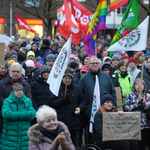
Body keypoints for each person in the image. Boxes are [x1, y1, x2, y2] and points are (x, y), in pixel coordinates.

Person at [79, 55, 116, 145]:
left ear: (99, 64)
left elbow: (113, 92)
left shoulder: (106, 77)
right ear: (89, 65)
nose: (95, 65)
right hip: (89, 114)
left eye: (97, 63)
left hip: (105, 113)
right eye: (93, 63)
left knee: (104, 135)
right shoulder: (84, 79)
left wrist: (113, 106)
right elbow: (80, 95)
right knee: (89, 137)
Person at [50, 70, 85, 149]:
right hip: (61, 122)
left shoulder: (77, 88)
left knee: (75, 145)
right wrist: (61, 100)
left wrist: (80, 107)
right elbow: (51, 103)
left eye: (69, 78)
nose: (68, 80)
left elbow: (83, 100)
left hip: (74, 122)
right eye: (66, 78)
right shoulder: (56, 88)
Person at [0, 62, 33, 137]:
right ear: (9, 72)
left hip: (22, 125)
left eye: (17, 71)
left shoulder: (26, 86)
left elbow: (29, 100)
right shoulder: (1, 84)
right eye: (13, 71)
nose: (15, 73)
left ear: (21, 73)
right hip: (5, 123)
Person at [0, 83, 36, 149]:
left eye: (21, 90)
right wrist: (25, 115)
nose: (19, 92)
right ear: (12, 92)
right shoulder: (7, 101)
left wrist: (15, 115)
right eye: (17, 90)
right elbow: (6, 114)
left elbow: (32, 114)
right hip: (10, 135)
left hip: (25, 136)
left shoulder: (27, 101)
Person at [124, 78, 150, 150]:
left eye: (141, 84)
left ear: (144, 86)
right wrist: (136, 105)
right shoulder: (130, 95)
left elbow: (148, 108)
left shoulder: (147, 96)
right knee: (135, 145)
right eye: (137, 84)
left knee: (144, 145)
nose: (139, 86)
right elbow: (126, 108)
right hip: (133, 125)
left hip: (145, 125)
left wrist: (143, 101)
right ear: (134, 86)